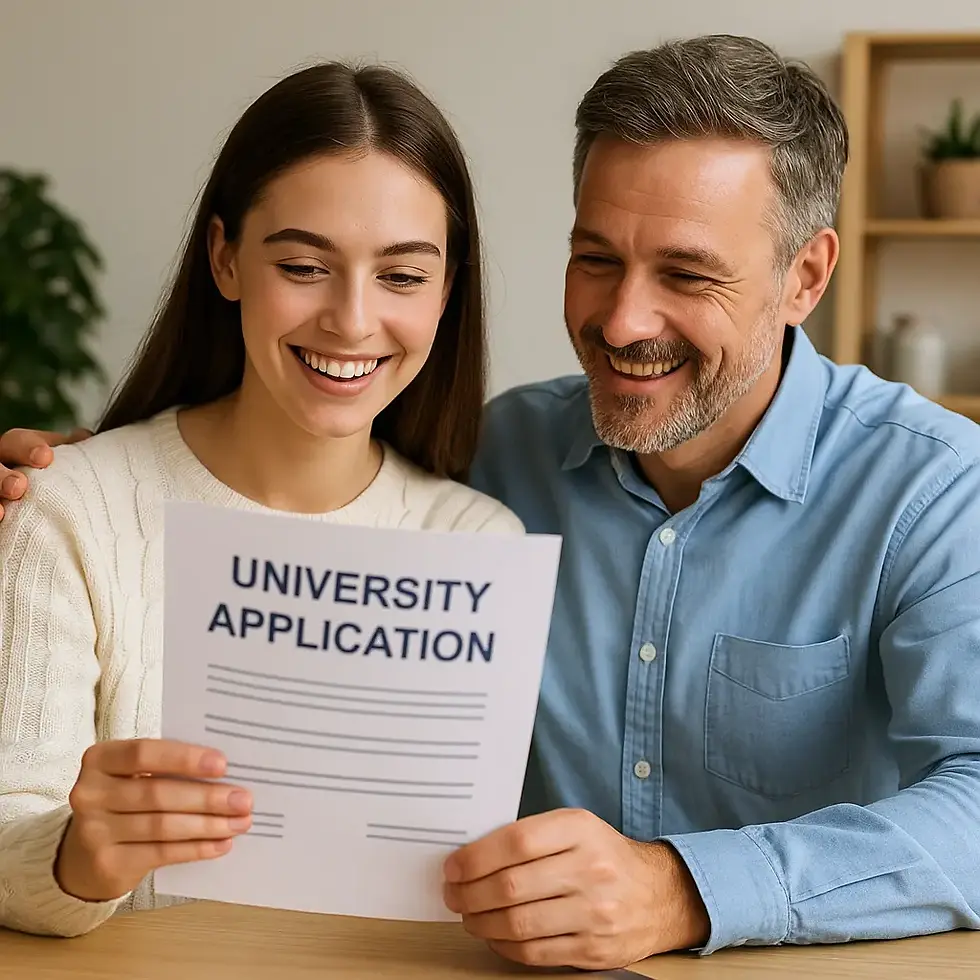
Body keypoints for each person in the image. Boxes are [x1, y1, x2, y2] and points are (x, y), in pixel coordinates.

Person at [4, 32, 980, 971]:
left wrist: (679, 887)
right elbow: (298, 472)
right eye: (595, 256)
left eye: (684, 273)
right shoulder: (495, 456)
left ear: (803, 274)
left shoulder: (931, 489)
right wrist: (87, 481)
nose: (621, 318)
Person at [0, 61, 523, 940]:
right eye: (305, 264)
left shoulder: (479, 543)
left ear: (447, 289)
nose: (352, 321)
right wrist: (77, 857)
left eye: (402, 276)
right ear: (226, 258)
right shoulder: (70, 511)